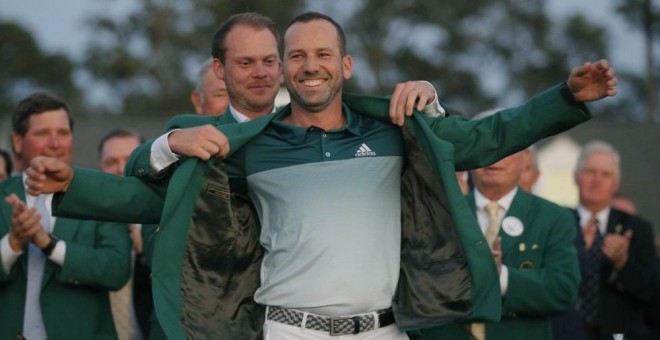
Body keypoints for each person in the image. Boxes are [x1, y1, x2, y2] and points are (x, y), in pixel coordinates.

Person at [25, 11, 617, 340]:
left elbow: (490, 137)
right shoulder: (252, 145)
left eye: (323, 54)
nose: (311, 66)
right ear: (288, 68)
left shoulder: (394, 129)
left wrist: (565, 96)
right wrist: (72, 184)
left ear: (346, 64)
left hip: (383, 331)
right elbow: (152, 201)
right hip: (287, 332)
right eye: (299, 56)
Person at [0, 93, 132, 339]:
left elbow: (117, 270)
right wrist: (13, 243)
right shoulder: (2, 196)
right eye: (42, 134)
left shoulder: (100, 195)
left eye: (62, 133)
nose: (55, 143)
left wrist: (50, 245)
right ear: (18, 142)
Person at [422, 144, 580, 339]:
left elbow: (563, 291)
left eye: (506, 149)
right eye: (487, 148)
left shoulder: (553, 218)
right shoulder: (439, 214)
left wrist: (502, 277)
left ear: (525, 159)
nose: (495, 157)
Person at [569, 140, 656, 339]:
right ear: (577, 177)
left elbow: (651, 290)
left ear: (615, 184)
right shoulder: (558, 222)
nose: (597, 180)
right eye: (591, 172)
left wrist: (623, 264)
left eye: (606, 175)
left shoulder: (636, 229)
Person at [98, 129, 152, 340]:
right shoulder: (81, 224)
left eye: (129, 160)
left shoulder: (166, 220)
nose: (121, 169)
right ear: (98, 169)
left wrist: (144, 252)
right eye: (111, 162)